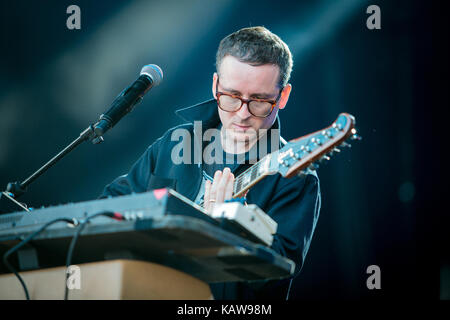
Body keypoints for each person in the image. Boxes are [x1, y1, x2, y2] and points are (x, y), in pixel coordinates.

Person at [99, 26, 321, 299]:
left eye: (259, 101)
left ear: (283, 96)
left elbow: (272, 277)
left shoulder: (294, 176)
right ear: (215, 85)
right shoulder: (174, 144)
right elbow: (110, 207)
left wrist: (233, 223)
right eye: (231, 96)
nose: (242, 114)